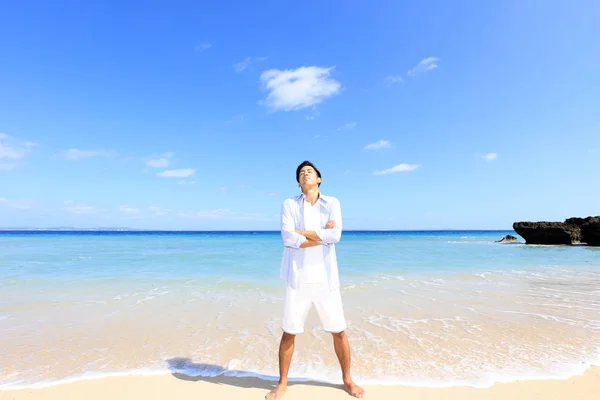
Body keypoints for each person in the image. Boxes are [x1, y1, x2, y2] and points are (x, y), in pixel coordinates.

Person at [266, 161, 364, 399]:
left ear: (319, 179)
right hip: (297, 278)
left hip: (325, 279)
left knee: (339, 331)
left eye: (309, 171)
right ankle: (282, 383)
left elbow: (336, 235)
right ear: (298, 182)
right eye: (301, 173)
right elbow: (287, 238)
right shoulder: (289, 203)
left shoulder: (332, 203)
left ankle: (347, 380)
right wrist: (320, 235)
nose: (305, 174)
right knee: (289, 331)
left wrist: (303, 232)